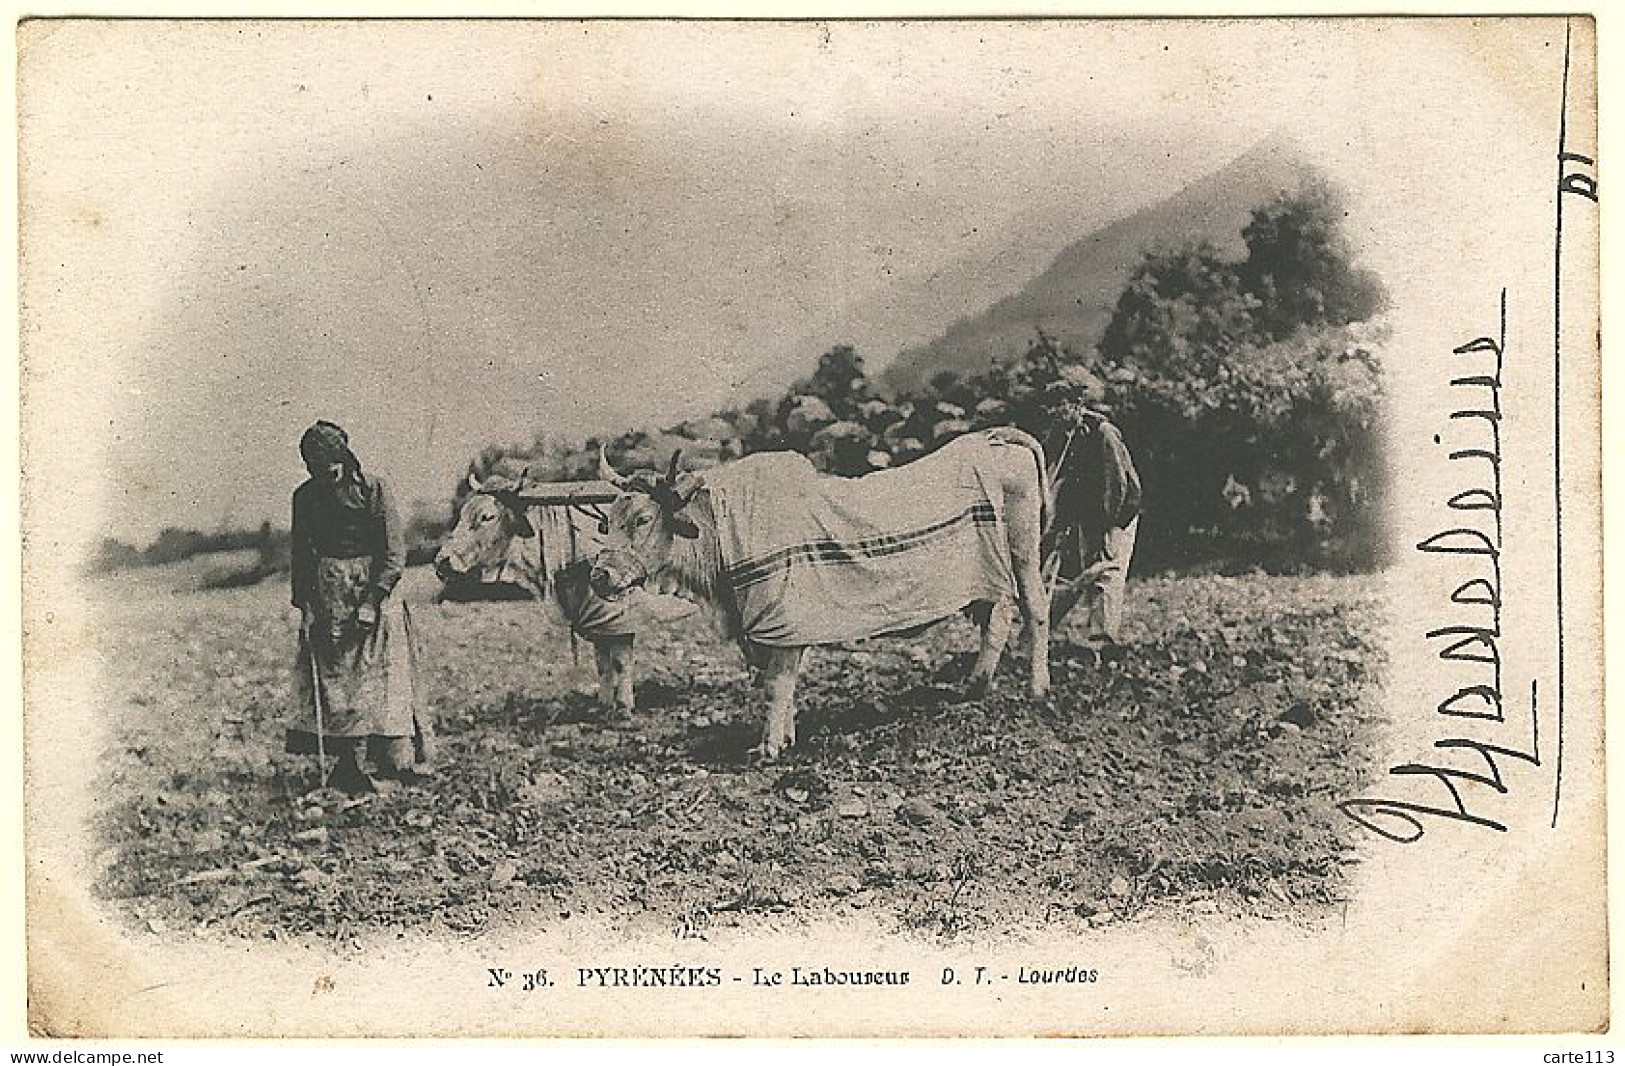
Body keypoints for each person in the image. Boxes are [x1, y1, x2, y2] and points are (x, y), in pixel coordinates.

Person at [286, 420, 434, 793]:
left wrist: (372, 600)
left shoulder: (374, 489)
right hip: (329, 591)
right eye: (314, 473)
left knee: (381, 674)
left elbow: (394, 552)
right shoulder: (304, 499)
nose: (323, 479)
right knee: (337, 677)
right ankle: (348, 761)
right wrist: (306, 605)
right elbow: (301, 556)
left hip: (374, 589)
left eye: (329, 471)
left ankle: (392, 758)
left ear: (344, 461)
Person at [1043, 379, 1142, 649]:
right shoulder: (1065, 436)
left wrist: (1109, 525)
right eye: (1049, 407)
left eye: (1059, 406)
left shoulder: (1103, 432)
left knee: (1107, 572)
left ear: (1076, 405)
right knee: (1090, 571)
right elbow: (1062, 481)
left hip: (1116, 514)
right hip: (1089, 515)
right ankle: (1096, 631)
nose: (1053, 412)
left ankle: (1104, 638)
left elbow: (1117, 483)